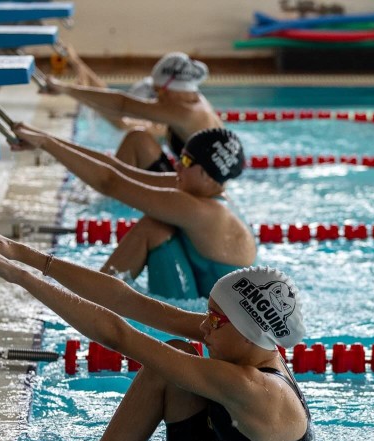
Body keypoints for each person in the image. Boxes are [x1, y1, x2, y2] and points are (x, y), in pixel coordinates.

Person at [0, 234, 311, 441]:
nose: (203, 325)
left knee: (167, 360)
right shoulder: (250, 344)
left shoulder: (253, 388)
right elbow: (127, 301)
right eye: (208, 313)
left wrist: (21, 278)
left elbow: (118, 335)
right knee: (174, 354)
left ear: (250, 333)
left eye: (215, 319)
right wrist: (23, 254)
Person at [13, 124, 256, 301]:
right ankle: (96, 294)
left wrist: (47, 144)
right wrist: (47, 140)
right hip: (202, 301)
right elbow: (118, 170)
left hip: (205, 320)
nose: (176, 165)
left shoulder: (202, 211)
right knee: (158, 227)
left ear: (206, 173)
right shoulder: (200, 193)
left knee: (153, 228)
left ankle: (91, 298)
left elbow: (110, 183)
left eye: (185, 161)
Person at [48, 51, 223, 171]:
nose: (157, 98)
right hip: (197, 183)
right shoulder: (193, 103)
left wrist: (65, 89)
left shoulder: (184, 112)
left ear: (167, 88)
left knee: (136, 139)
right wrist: (77, 69)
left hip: (199, 193)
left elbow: (122, 105)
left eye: (157, 91)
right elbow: (120, 112)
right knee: (139, 137)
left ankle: (110, 197)